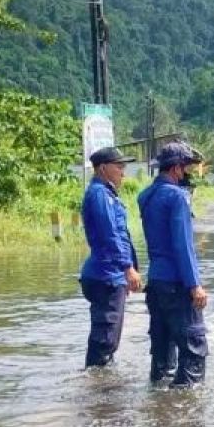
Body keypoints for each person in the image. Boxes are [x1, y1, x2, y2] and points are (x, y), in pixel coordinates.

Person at [139, 141, 209, 387]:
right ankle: (185, 415)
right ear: (177, 169)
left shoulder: (145, 196)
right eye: (186, 169)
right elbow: (182, 245)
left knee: (162, 352)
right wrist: (195, 285)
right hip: (177, 283)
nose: (187, 174)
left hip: (156, 282)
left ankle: (159, 412)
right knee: (194, 348)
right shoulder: (177, 197)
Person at [79, 146, 142, 368]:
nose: (123, 172)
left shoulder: (106, 194)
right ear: (103, 168)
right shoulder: (99, 194)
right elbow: (110, 235)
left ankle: (103, 389)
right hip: (105, 275)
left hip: (110, 275)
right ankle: (97, 393)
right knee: (104, 339)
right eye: (119, 167)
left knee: (108, 337)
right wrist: (128, 268)